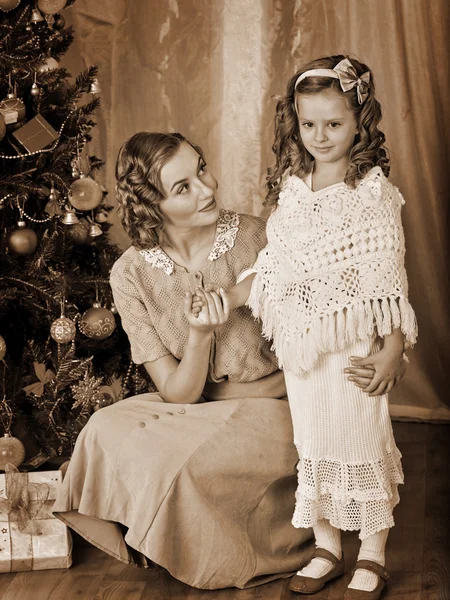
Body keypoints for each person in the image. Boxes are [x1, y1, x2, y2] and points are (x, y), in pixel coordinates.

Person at [53, 130, 406, 591]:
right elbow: (177, 392)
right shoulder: (131, 274)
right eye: (183, 187)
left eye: (201, 168)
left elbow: (342, 307)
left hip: (286, 402)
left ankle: (277, 541)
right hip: (192, 403)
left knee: (187, 464)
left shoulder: (263, 236)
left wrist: (393, 343)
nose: (208, 187)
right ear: (151, 206)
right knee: (104, 428)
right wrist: (200, 336)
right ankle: (161, 537)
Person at [194, 56, 417, 598]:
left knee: (361, 437)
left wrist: (392, 349)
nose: (320, 135)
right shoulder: (294, 186)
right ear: (295, 120)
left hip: (354, 342)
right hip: (303, 343)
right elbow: (277, 263)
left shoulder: (372, 191)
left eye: (334, 124)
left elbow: (386, 276)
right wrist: (231, 294)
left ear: (360, 122)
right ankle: (325, 545)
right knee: (314, 440)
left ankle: (372, 550)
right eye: (308, 122)